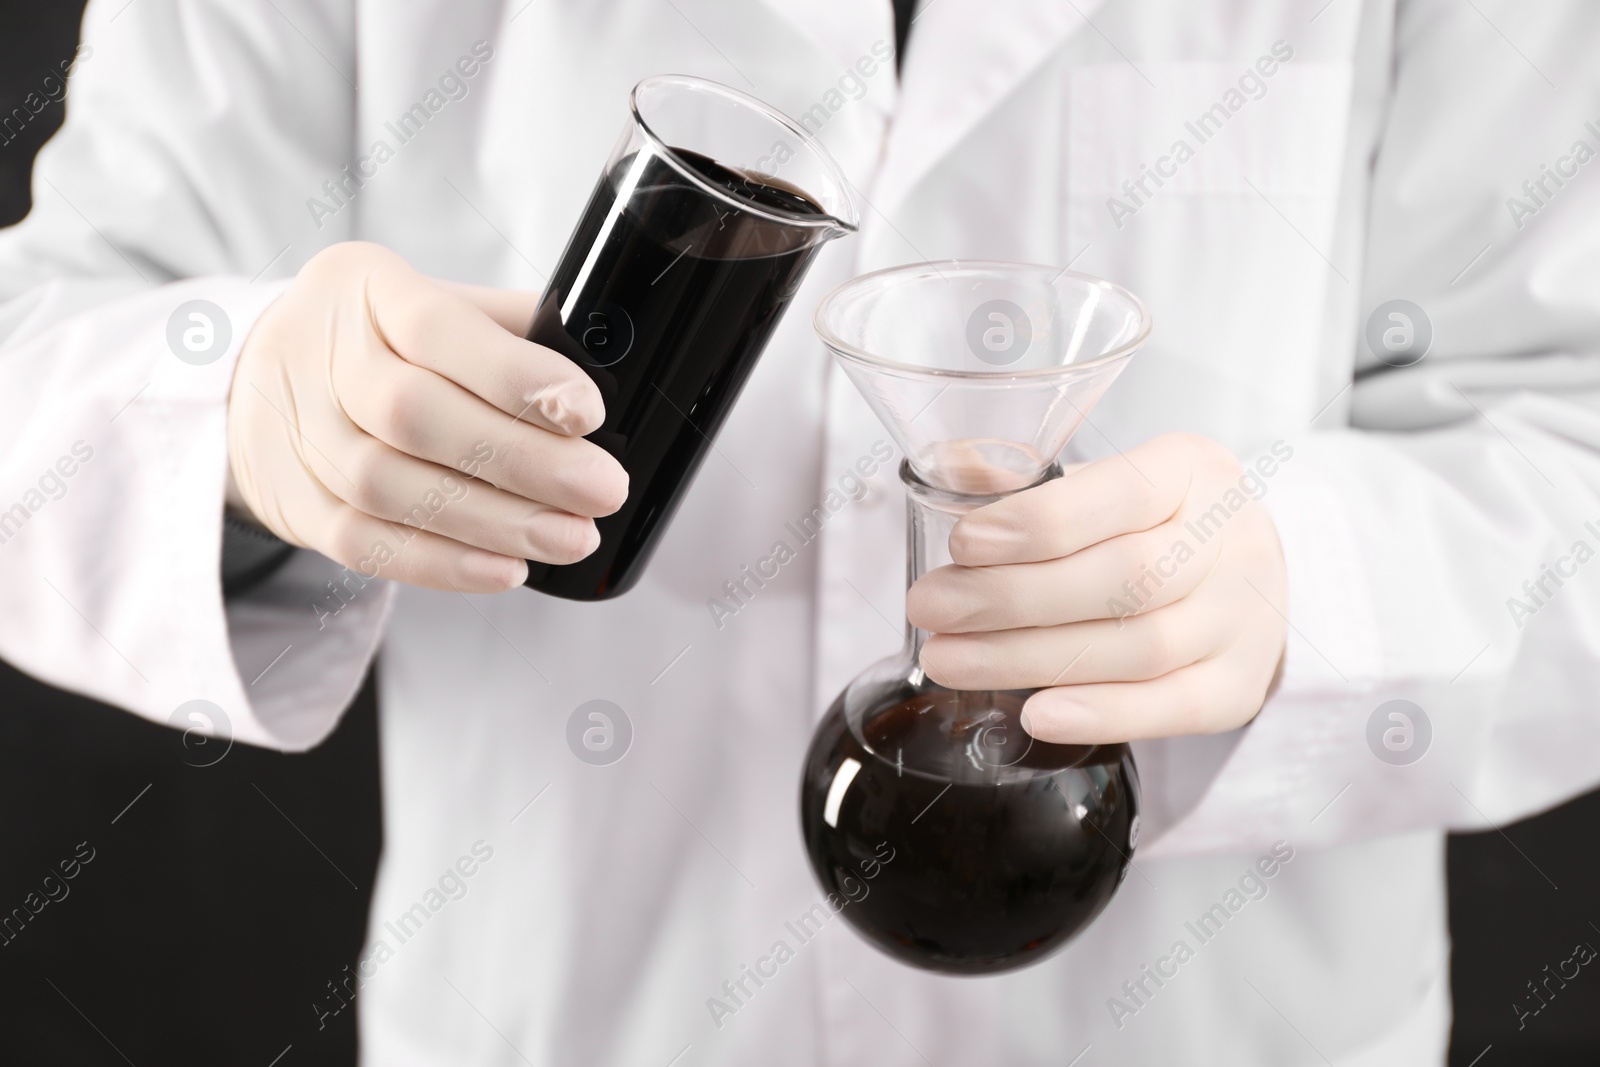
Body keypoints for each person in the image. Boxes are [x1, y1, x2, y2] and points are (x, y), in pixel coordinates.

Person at [2, 0, 1597, 1063]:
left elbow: (1570, 426)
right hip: (586, 999)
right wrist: (238, 408)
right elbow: (41, 363)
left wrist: (1305, 586)